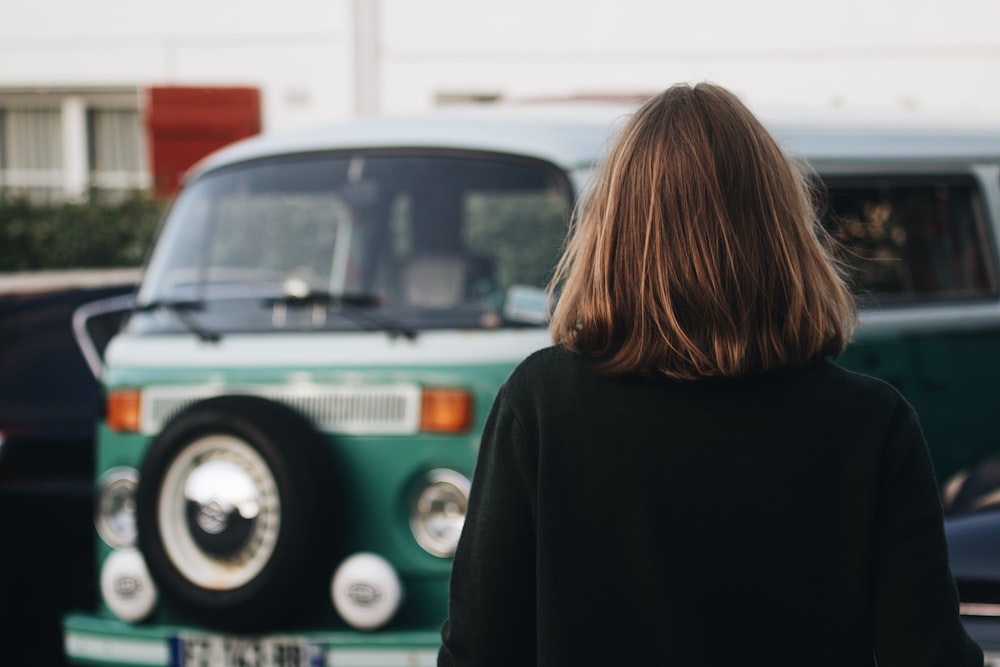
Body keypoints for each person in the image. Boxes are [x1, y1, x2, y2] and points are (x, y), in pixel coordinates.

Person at [438, 82, 983, 666]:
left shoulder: (541, 403)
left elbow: (479, 651)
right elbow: (927, 655)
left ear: (611, 231)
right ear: (781, 230)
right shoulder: (871, 423)